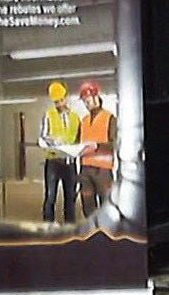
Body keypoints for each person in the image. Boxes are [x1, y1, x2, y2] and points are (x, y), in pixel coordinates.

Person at [38, 81, 80, 224]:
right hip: (53, 162)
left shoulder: (75, 117)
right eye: (56, 102)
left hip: (70, 163)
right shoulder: (48, 115)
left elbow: (79, 140)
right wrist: (52, 141)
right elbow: (42, 138)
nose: (59, 104)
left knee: (70, 197)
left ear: (66, 98)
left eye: (61, 100)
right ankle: (48, 226)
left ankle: (70, 227)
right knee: (50, 197)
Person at [76, 80, 116, 219]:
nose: (86, 104)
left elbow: (115, 143)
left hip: (103, 170)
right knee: (87, 205)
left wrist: (98, 146)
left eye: (88, 100)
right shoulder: (84, 120)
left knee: (106, 204)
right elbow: (77, 143)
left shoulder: (109, 118)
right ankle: (92, 234)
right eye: (84, 101)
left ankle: (108, 235)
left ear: (96, 97)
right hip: (85, 169)